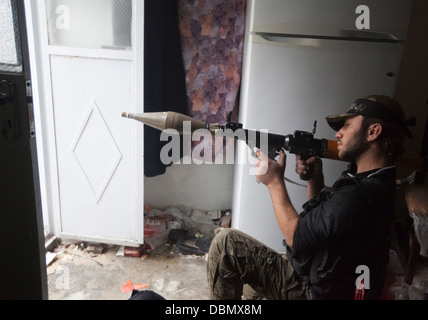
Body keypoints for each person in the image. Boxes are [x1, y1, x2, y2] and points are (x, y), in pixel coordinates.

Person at [207, 95, 414, 300]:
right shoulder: (376, 181)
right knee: (254, 285)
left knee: (227, 245)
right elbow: (328, 225)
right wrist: (314, 180)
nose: (339, 134)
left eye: (347, 126)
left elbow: (296, 238)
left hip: (320, 293)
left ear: (373, 131)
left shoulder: (358, 195)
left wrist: (274, 183)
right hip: (337, 284)